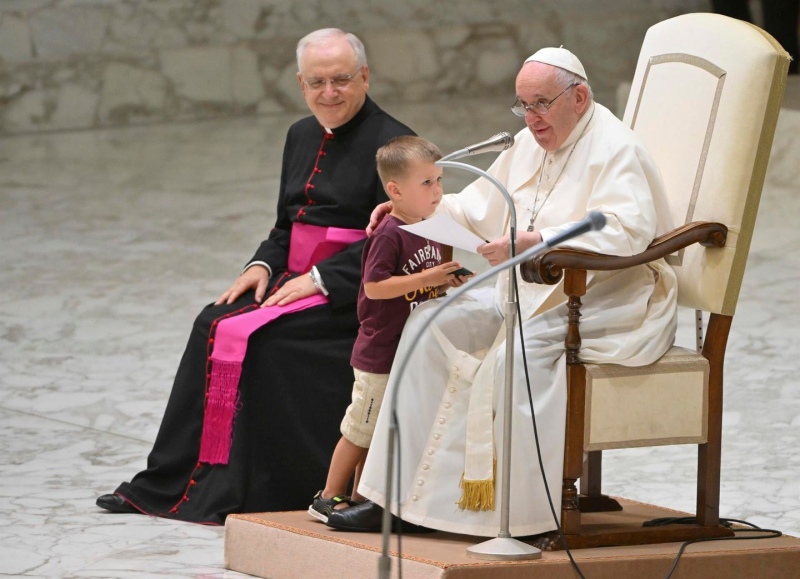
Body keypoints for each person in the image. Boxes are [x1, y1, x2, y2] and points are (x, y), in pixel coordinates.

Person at [325, 47, 678, 536]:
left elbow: (626, 230)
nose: (530, 119)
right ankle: (390, 500)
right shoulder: (533, 143)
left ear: (579, 97)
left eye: (540, 104)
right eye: (522, 106)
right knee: (428, 323)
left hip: (600, 296)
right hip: (527, 288)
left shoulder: (615, 147)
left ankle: (518, 514)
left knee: (516, 360)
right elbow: (475, 207)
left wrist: (541, 242)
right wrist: (414, 212)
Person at [95, 28, 415, 525]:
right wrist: (261, 265)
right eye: (316, 82)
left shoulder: (395, 145)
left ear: (365, 77)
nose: (328, 93)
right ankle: (171, 481)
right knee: (211, 322)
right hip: (292, 275)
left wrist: (322, 278)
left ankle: (251, 487)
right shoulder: (300, 134)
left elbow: (400, 242)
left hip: (354, 296)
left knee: (266, 342)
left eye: (341, 80)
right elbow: (287, 224)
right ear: (300, 83)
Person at [308, 136, 472, 523]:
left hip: (408, 348)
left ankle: (361, 498)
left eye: (439, 180)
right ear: (395, 190)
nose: (438, 191)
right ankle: (327, 496)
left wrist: (448, 278)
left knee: (380, 430)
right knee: (360, 428)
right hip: (380, 351)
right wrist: (428, 276)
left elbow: (425, 278)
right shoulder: (389, 234)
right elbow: (374, 287)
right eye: (427, 183)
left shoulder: (431, 227)